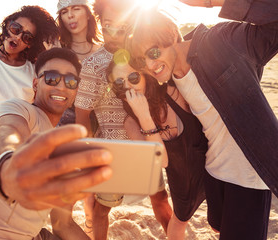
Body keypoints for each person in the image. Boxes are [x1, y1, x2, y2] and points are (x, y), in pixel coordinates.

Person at [128, 0, 278, 239]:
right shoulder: (169, 84)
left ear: (171, 36)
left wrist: (217, 2)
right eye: (141, 60)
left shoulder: (220, 42)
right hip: (215, 174)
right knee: (219, 228)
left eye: (153, 52)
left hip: (249, 175)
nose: (150, 65)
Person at [0, 48, 113, 240]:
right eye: (52, 78)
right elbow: (8, 133)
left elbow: (63, 225)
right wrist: (8, 167)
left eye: (70, 81)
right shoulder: (18, 109)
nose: (61, 86)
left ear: (75, 91)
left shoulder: (60, 145)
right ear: (35, 84)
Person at [74, 0, 172, 239]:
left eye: (123, 24)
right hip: (113, 148)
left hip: (148, 142)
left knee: (160, 200)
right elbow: (82, 114)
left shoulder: (140, 54)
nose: (116, 31)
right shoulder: (91, 65)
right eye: (109, 25)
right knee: (103, 209)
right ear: (100, 23)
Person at [106, 55, 207, 239]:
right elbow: (162, 161)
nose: (128, 85)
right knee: (178, 223)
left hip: (211, 167)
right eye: (120, 83)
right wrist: (144, 116)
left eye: (133, 78)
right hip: (182, 182)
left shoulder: (173, 92)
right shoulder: (131, 122)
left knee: (218, 223)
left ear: (144, 74)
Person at [56, 0, 102, 126]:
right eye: (64, 12)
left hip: (105, 123)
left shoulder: (105, 50)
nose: (70, 15)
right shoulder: (58, 51)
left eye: (76, 9)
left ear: (88, 14)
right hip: (68, 124)